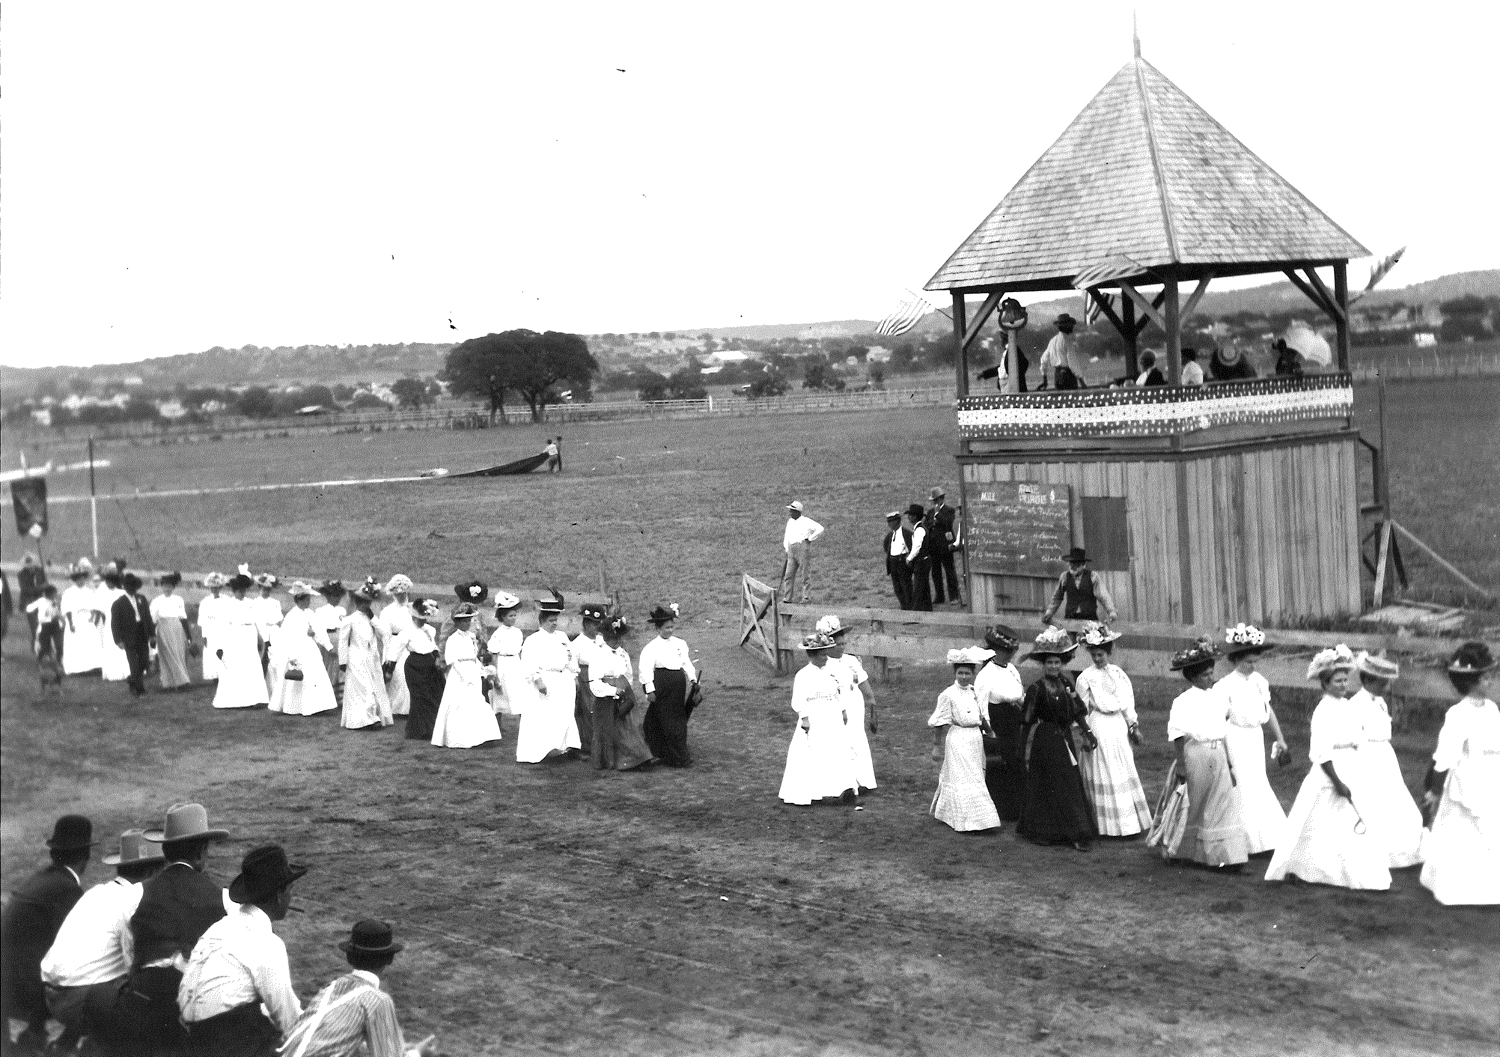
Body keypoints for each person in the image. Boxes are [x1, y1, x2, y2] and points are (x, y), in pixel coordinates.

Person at [1266, 645, 1390, 889]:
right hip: (1331, 768)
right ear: (1325, 683)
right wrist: (1337, 782)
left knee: (1350, 821)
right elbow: (1321, 753)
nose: (1343, 685)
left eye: (1345, 680)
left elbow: (1358, 737)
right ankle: (1306, 867)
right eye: (1337, 681)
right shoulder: (1323, 710)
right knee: (1320, 819)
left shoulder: (1347, 705)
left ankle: (1347, 871)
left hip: (1351, 764)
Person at [40, 829, 166, 1053]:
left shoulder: (97, 892)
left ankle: (67, 1042)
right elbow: (136, 964)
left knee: (106, 966)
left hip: (52, 995)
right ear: (150, 870)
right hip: (77, 1000)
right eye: (160, 868)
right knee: (146, 988)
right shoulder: (135, 898)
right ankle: (94, 1046)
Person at [177, 845, 307, 1057]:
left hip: (190, 1038)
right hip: (229, 1043)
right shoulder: (266, 942)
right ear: (279, 895)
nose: (291, 896)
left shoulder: (219, 926)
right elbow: (289, 1019)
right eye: (290, 890)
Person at [122, 804, 230, 1055]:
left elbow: (130, 955)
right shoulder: (223, 898)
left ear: (166, 850)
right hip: (193, 1007)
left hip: (145, 1000)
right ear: (202, 851)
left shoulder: (135, 893)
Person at [1, 815, 93, 1054]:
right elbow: (77, 955)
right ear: (86, 856)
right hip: (23, 996)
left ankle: (37, 1036)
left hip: (8, 985)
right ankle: (60, 1045)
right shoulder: (68, 890)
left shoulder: (39, 879)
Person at [278, 921, 436, 1057]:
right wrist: (417, 1052)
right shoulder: (378, 1001)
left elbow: (331, 1036)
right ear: (389, 959)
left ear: (349, 957)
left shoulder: (331, 988)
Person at [1418, 642, 1499, 906]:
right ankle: (1459, 885)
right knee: (1464, 830)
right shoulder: (1457, 714)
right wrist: (1434, 789)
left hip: (1491, 775)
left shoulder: (1492, 709)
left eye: (1490, 675)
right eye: (1485, 677)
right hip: (1468, 777)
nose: (1491, 680)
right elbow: (1445, 756)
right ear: (1469, 682)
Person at [1016, 627, 1098, 850]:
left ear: (1062, 663)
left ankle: (1076, 832)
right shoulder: (1036, 688)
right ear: (1043, 664)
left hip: (1065, 739)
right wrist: (1021, 750)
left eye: (1057, 663)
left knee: (1069, 782)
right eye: (1049, 663)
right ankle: (1042, 831)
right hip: (1045, 741)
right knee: (1046, 784)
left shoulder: (1068, 685)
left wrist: (1088, 733)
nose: (1053, 666)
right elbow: (1027, 721)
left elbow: (1078, 711)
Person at [1216, 623, 1290, 855]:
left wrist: (1280, 738)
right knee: (1242, 783)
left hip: (1254, 737)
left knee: (1258, 781)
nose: (1252, 666)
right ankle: (1244, 840)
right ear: (1236, 660)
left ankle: (1266, 838)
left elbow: (1269, 711)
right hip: (1235, 737)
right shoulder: (1224, 685)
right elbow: (1220, 721)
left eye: (1255, 661)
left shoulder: (1259, 681)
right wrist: (1225, 752)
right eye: (1248, 661)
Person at [1073, 623, 1152, 838]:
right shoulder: (1085, 677)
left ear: (1108, 652)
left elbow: (1127, 703)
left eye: (1101, 654)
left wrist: (1133, 725)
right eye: (1094, 655)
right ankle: (1104, 825)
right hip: (1098, 724)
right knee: (1104, 767)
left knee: (1122, 767)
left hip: (1118, 725)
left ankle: (1127, 824)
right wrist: (1086, 733)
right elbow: (1082, 708)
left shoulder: (1119, 674)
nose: (1097, 659)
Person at [1349, 651, 1424, 870]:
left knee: (1394, 797)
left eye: (1388, 683)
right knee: (1372, 799)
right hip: (1367, 756)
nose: (1387, 687)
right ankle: (1372, 849)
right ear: (1368, 680)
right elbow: (1355, 735)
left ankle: (1404, 848)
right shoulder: (1356, 704)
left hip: (1384, 755)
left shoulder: (1381, 702)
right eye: (1382, 683)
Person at [779, 633, 859, 806]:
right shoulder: (803, 675)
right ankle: (808, 790)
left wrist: (843, 710)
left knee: (836, 750)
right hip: (815, 716)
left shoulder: (831, 672)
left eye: (826, 654)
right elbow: (799, 699)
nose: (826, 658)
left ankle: (841, 788)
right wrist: (804, 717)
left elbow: (838, 692)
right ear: (812, 656)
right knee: (812, 751)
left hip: (832, 716)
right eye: (822, 655)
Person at [928, 648, 1003, 832]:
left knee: (977, 775)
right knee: (963, 778)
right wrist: (937, 746)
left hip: (975, 738)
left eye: (967, 673)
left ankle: (982, 821)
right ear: (955, 673)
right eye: (960, 673)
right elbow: (940, 721)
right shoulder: (948, 694)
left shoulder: (973, 692)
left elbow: (981, 715)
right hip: (958, 739)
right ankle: (965, 822)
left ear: (973, 673)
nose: (963, 676)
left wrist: (990, 732)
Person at [586, 612, 657, 771]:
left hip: (623, 692)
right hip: (606, 697)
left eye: (619, 639)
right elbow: (594, 683)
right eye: (613, 639)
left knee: (630, 725)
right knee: (610, 728)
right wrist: (612, 690)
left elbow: (629, 673)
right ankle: (616, 760)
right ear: (605, 637)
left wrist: (626, 690)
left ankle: (637, 757)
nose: (617, 642)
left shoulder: (622, 653)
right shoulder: (598, 655)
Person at [516, 593, 581, 762]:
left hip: (562, 679)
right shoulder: (533, 640)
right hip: (546, 680)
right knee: (545, 716)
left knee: (564, 714)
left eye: (555, 620)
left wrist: (573, 674)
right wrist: (538, 681)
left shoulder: (562, 637)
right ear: (542, 621)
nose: (554, 623)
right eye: (550, 620)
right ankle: (544, 749)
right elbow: (529, 663)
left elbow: (570, 657)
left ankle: (565, 746)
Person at [818, 615, 878, 793]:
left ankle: (863, 780)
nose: (842, 647)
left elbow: (866, 688)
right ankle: (843, 783)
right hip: (834, 705)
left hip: (854, 705)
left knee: (857, 739)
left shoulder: (852, 661)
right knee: (839, 742)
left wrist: (873, 711)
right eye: (838, 644)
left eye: (844, 643)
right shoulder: (823, 664)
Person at [430, 603, 502, 748]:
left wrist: (482, 669)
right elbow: (453, 660)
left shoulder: (471, 637)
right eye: (463, 621)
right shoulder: (453, 639)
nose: (467, 624)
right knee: (460, 702)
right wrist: (465, 676)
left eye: (468, 620)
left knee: (478, 701)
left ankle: (482, 736)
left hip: (472, 670)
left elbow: (474, 656)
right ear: (456, 623)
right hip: (459, 674)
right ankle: (460, 737)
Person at [975, 625, 1026, 823]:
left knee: (1017, 761)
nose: (1009, 655)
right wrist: (989, 733)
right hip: (997, 724)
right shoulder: (986, 675)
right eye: (1005, 651)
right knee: (1001, 763)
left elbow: (1020, 696)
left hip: (1014, 721)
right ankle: (1002, 809)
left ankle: (1018, 807)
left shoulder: (1012, 670)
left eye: (1011, 651)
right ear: (995, 650)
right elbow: (981, 707)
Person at [638, 603, 698, 767]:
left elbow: (686, 663)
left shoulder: (680, 643)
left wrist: (693, 679)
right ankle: (664, 752)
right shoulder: (651, 648)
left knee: (675, 718)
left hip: (678, 685)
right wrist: (649, 689)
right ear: (658, 628)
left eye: (671, 627)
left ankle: (677, 754)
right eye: (666, 628)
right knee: (658, 719)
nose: (670, 631)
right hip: (661, 684)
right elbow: (645, 670)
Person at [270, 582, 339, 717]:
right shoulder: (291, 616)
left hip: (309, 648)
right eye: (306, 599)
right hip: (296, 650)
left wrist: (328, 646)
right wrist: (292, 657)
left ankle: (317, 705)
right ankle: (295, 707)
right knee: (299, 677)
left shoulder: (310, 613)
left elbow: (319, 631)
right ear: (299, 600)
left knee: (315, 674)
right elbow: (286, 638)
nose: (309, 602)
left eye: (309, 599)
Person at [339, 579, 392, 730]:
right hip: (356, 657)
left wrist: (373, 618)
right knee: (364, 688)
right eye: (364, 602)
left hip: (371, 658)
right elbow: (343, 641)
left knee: (373, 687)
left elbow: (384, 633)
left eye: (369, 603)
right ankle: (366, 719)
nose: (366, 606)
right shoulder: (350, 620)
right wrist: (343, 661)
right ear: (357, 603)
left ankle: (370, 717)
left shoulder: (372, 619)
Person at [213, 572, 269, 709]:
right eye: (239, 590)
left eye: (244, 590)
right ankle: (236, 699)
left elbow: (258, 622)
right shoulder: (227, 605)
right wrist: (221, 645)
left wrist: (264, 638)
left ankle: (253, 698)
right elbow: (222, 625)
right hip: (235, 638)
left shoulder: (251, 604)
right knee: (235, 666)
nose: (242, 593)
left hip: (249, 636)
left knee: (251, 665)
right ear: (234, 591)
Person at [401, 599, 445, 741]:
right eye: (418, 619)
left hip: (430, 665)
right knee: (419, 697)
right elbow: (395, 650)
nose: (421, 622)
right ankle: (418, 730)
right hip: (414, 665)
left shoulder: (429, 630)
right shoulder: (406, 632)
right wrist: (389, 667)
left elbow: (434, 646)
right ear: (413, 617)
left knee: (434, 695)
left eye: (423, 619)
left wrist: (438, 658)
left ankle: (431, 728)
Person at [375, 575, 416, 719]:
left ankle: (409, 707)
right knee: (398, 674)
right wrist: (388, 651)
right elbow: (384, 634)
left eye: (403, 594)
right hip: (394, 643)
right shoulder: (387, 611)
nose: (401, 596)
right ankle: (396, 707)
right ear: (393, 594)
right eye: (397, 594)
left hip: (411, 644)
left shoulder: (413, 609)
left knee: (410, 674)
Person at [1040, 548, 1117, 625]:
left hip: (1089, 620)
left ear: (1083, 565)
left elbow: (1103, 596)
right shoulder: (1064, 577)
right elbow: (1057, 597)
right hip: (1070, 620)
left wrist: (1111, 611)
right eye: (1071, 564)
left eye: (1076, 565)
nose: (1073, 567)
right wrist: (1049, 612)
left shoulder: (1093, 576)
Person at [486, 593, 529, 722]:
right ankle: (496, 727)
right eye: (510, 616)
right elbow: (494, 656)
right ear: (503, 617)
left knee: (520, 695)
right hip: (503, 665)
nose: (513, 618)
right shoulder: (498, 634)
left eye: (515, 615)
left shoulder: (518, 632)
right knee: (500, 696)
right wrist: (496, 676)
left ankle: (525, 725)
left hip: (515, 664)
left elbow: (519, 652)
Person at [571, 603, 608, 753]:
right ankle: (588, 744)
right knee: (589, 709)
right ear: (585, 624)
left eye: (599, 624)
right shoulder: (577, 644)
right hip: (586, 678)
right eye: (593, 624)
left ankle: (604, 742)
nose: (597, 627)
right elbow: (573, 663)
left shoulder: (601, 640)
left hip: (602, 674)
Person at [111, 572, 155, 697]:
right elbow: (115, 623)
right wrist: (118, 640)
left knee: (144, 661)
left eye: (134, 586)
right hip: (128, 635)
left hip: (142, 632)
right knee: (133, 663)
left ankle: (132, 679)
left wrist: (152, 634)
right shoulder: (118, 603)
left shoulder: (142, 598)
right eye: (129, 586)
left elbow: (147, 617)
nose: (132, 589)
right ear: (124, 587)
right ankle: (139, 688)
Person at [150, 572, 193, 690]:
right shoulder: (156, 601)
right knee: (167, 655)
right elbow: (153, 620)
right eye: (165, 586)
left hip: (177, 629)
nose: (167, 589)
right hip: (163, 630)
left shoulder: (178, 600)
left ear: (173, 587)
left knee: (179, 654)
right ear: (161, 587)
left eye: (169, 586)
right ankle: (169, 682)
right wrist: (151, 636)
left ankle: (182, 681)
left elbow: (183, 618)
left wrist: (188, 636)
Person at [61, 561, 103, 676]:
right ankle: (76, 668)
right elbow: (67, 609)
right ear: (74, 579)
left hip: (88, 619)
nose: (81, 581)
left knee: (91, 642)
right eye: (78, 579)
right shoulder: (68, 593)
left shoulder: (90, 591)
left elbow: (96, 606)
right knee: (76, 643)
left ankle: (92, 667)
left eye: (83, 578)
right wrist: (70, 623)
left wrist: (94, 619)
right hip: (75, 619)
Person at [780, 500, 824, 604]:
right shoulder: (790, 522)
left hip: (802, 547)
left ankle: (806, 597)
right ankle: (787, 598)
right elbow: (787, 536)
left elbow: (820, 528)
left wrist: (810, 538)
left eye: (792, 511)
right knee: (788, 575)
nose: (790, 513)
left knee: (805, 573)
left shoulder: (806, 521)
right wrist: (787, 549)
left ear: (798, 512)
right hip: (791, 549)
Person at [250, 574, 284, 698]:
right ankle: (262, 691)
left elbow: (279, 620)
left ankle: (275, 690)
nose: (266, 592)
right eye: (264, 589)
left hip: (274, 632)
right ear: (259, 588)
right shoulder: (254, 603)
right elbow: (257, 621)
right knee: (262, 660)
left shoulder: (275, 602)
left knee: (276, 660)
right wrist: (263, 638)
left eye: (268, 589)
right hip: (261, 632)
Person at [315, 580, 348, 705]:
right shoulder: (321, 611)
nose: (337, 598)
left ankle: (339, 697)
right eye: (334, 596)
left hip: (340, 639)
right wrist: (328, 646)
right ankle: (326, 697)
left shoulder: (342, 610)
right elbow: (319, 631)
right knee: (329, 667)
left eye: (339, 596)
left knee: (340, 668)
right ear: (328, 596)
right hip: (328, 639)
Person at [97, 567, 133, 684]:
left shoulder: (122, 593)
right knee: (110, 646)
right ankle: (112, 672)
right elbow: (101, 611)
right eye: (107, 582)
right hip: (109, 624)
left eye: (111, 582)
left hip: (122, 623)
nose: (109, 584)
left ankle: (126, 670)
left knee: (123, 646)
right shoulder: (103, 594)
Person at [927, 487, 962, 606]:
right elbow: (927, 525)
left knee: (949, 571)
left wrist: (937, 515)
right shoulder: (930, 512)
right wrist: (933, 521)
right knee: (936, 572)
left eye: (936, 500)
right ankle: (939, 596)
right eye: (934, 500)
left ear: (942, 498)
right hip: (934, 546)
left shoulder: (949, 510)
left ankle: (954, 596)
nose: (935, 503)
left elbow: (948, 523)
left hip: (945, 545)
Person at [27, 585, 65, 695]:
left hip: (55, 626)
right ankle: (44, 668)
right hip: (45, 626)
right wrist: (40, 617)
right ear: (46, 594)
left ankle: (58, 665)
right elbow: (29, 609)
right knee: (45, 648)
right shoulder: (41, 601)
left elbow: (59, 613)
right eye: (52, 594)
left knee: (59, 645)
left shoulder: (56, 601)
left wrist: (61, 620)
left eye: (55, 593)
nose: (54, 596)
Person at [197, 572, 230, 682]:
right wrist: (204, 635)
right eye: (212, 588)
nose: (214, 590)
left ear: (220, 587)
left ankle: (224, 674)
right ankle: (214, 675)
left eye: (217, 588)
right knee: (211, 651)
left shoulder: (227, 600)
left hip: (223, 629)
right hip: (211, 630)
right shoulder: (205, 602)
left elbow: (230, 616)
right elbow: (202, 620)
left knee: (224, 650)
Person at [1039, 313, 1085, 390]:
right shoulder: (1067, 342)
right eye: (1071, 325)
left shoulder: (1052, 341)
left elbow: (1043, 360)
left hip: (1057, 376)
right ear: (1067, 326)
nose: (1072, 327)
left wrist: (1044, 379)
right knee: (1071, 400)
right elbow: (1072, 363)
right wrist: (1082, 381)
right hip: (1068, 376)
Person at [881, 510, 913, 610]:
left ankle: (909, 607)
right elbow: (886, 547)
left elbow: (912, 547)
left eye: (891, 522)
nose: (889, 524)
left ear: (897, 521)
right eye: (888, 522)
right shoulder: (890, 536)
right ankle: (904, 606)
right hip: (893, 562)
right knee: (897, 587)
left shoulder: (906, 533)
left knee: (906, 586)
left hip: (902, 562)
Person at [904, 503, 933, 612]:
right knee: (924, 587)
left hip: (921, 562)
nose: (909, 517)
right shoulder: (920, 528)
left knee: (918, 588)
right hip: (924, 561)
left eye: (911, 515)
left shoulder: (919, 530)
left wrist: (909, 558)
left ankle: (915, 613)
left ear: (915, 516)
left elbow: (917, 547)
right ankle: (927, 610)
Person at [18, 552, 46, 640]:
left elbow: (45, 583)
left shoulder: (40, 571)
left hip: (41, 601)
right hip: (29, 601)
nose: (31, 568)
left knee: (44, 624)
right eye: (28, 566)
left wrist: (45, 587)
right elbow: (25, 590)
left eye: (32, 565)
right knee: (34, 626)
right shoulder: (21, 574)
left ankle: (43, 645)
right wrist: (40, 588)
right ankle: (36, 645)